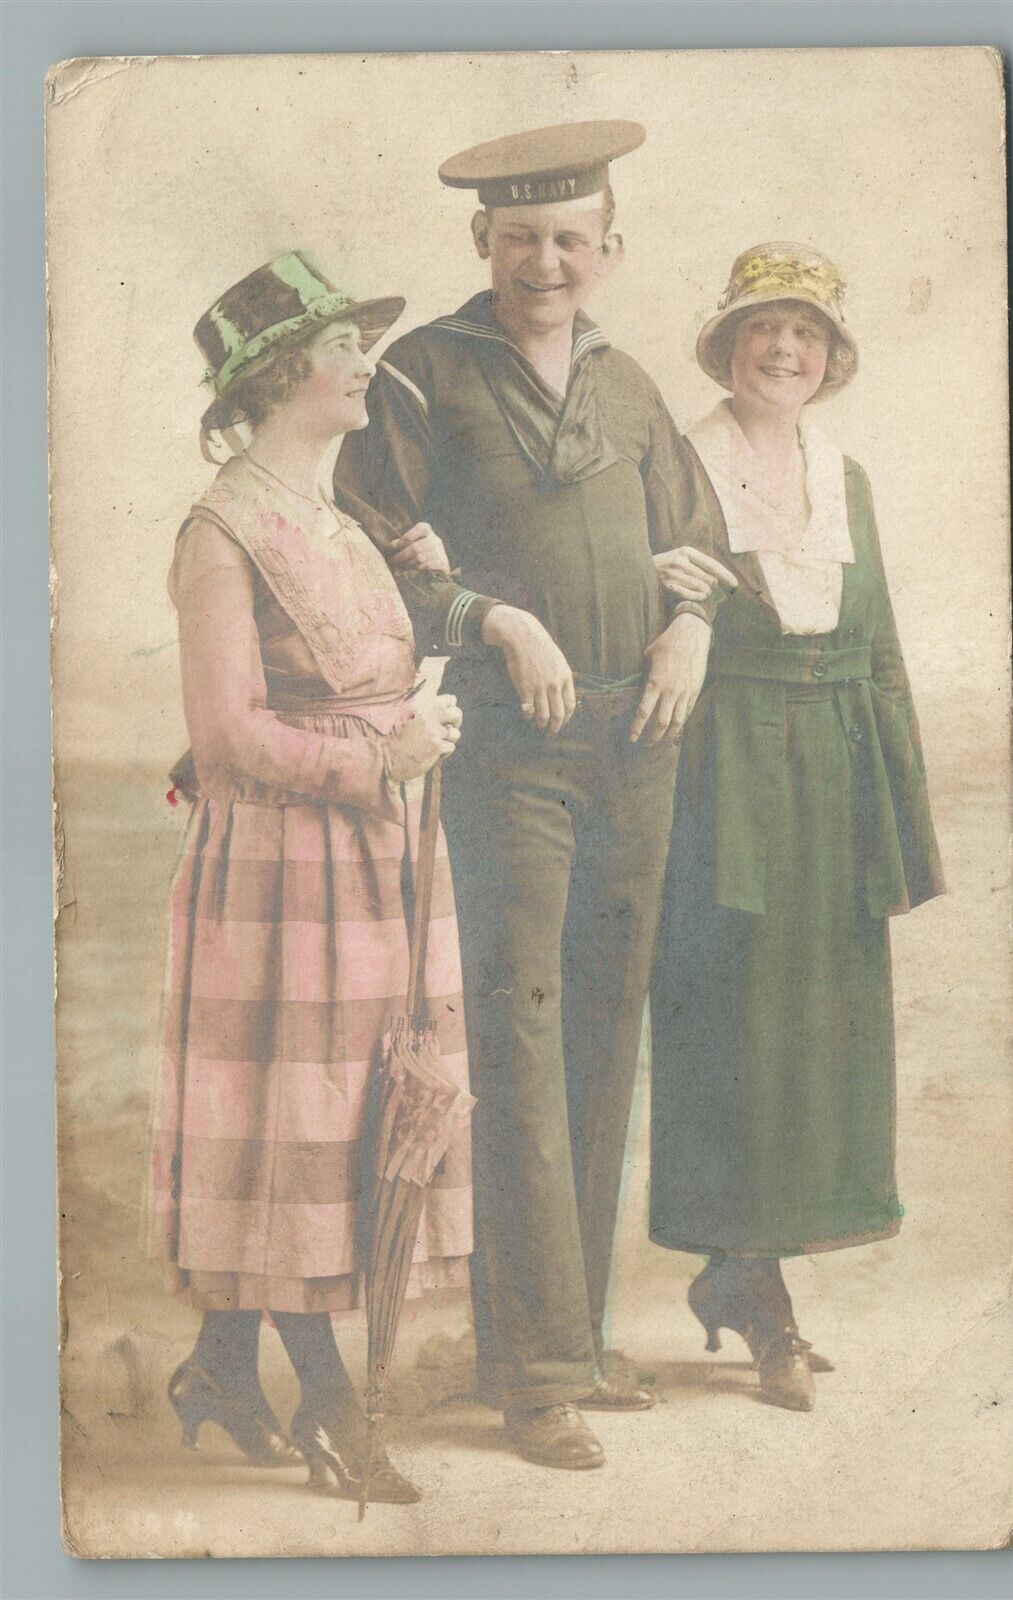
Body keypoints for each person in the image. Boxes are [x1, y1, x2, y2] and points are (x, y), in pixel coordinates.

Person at [335, 122, 735, 1470]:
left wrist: (689, 630)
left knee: (600, 1031)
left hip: (638, 741)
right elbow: (377, 559)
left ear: (606, 251)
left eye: (570, 238)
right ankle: (533, 1371)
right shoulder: (419, 376)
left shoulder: (627, 386)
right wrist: (492, 616)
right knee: (517, 1029)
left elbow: (694, 540)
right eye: (519, 239)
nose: (544, 261)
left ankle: (569, 1333)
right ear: (480, 246)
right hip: (505, 751)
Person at [154, 252, 470, 1503]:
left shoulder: (342, 519)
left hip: (373, 858)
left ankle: (224, 1369)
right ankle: (331, 1408)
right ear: (282, 375)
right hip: (281, 871)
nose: (363, 364)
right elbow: (226, 734)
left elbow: (375, 659)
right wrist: (380, 759)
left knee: (342, 1116)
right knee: (302, 1123)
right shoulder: (220, 532)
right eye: (343, 345)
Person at [648, 243, 945, 1410]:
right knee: (737, 1027)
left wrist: (899, 820)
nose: (783, 351)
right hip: (725, 773)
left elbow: (876, 647)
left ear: (829, 358)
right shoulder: (680, 464)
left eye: (805, 335)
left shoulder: (847, 474)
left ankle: (745, 1274)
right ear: (726, 345)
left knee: (823, 1030)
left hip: (834, 776)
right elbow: (645, 614)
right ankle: (755, 1285)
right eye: (762, 330)